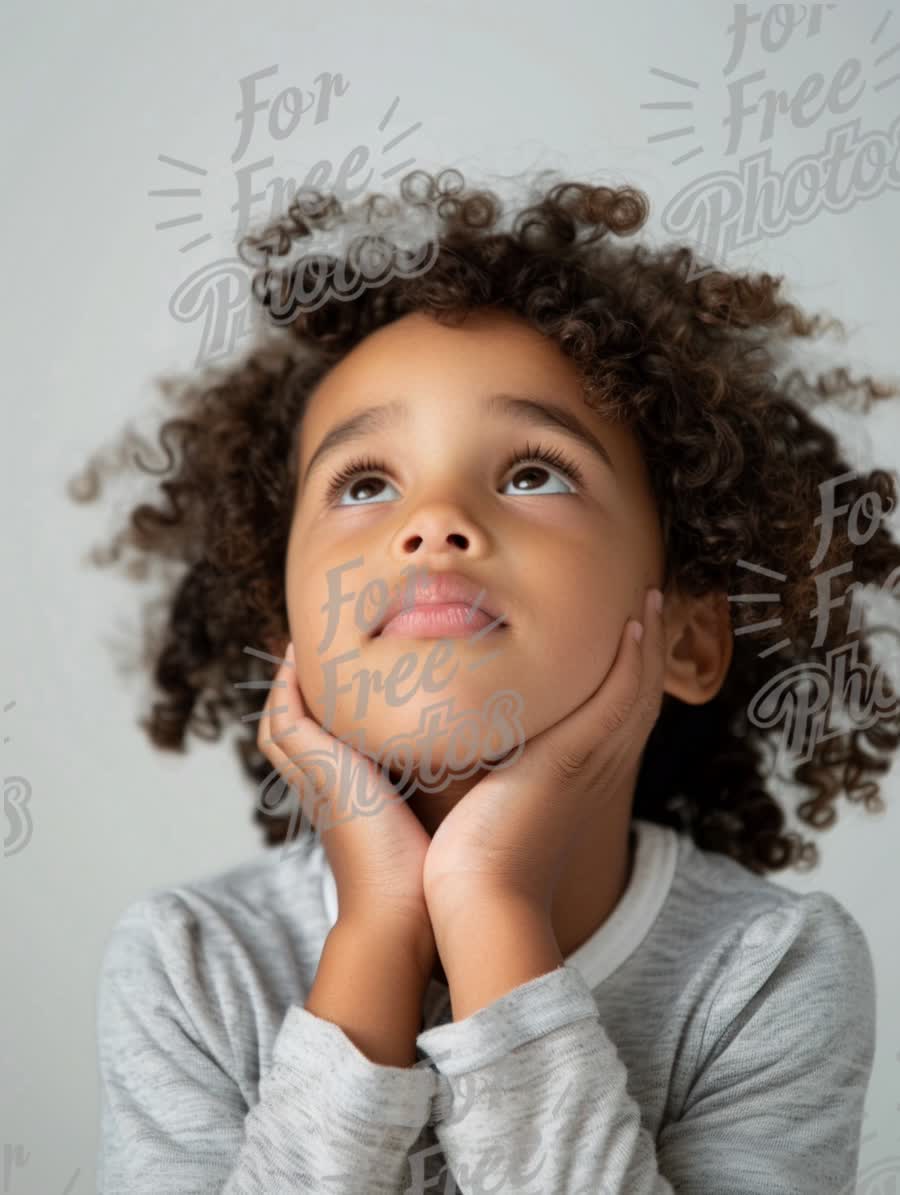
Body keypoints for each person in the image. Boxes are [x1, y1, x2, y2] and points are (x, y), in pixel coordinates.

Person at [74, 168, 896, 1193]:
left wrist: (490, 902)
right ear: (287, 632)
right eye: (365, 483)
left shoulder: (770, 968)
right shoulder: (192, 964)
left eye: (532, 472)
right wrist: (376, 927)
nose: (434, 521)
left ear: (688, 636)